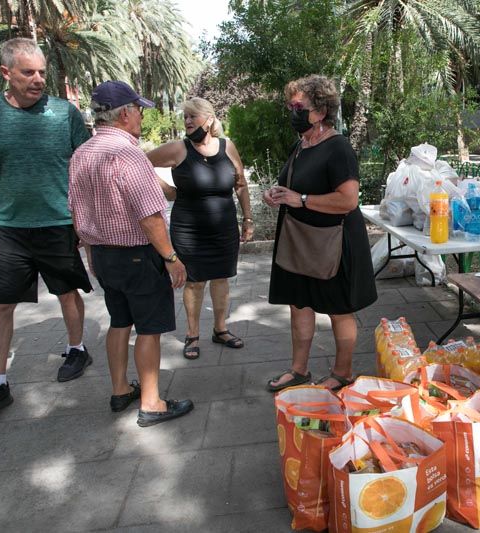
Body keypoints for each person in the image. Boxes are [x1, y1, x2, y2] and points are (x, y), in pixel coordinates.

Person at [0, 38, 94, 415]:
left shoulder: (64, 112)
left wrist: (86, 220)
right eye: (28, 72)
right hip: (8, 227)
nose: (38, 80)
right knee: (0, 305)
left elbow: (84, 168)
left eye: (41, 72)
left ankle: (77, 349)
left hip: (59, 223)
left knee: (68, 293)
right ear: (6, 73)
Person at [68, 80, 193, 427]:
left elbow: (77, 213)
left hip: (105, 257)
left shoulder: (82, 153)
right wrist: (171, 258)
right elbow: (150, 216)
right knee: (149, 329)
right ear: (124, 114)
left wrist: (93, 254)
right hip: (138, 255)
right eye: (138, 109)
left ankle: (121, 389)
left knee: (119, 321)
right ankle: (152, 403)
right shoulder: (128, 153)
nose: (140, 116)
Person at [264, 75, 377, 392]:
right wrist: (276, 193)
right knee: (299, 304)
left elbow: (348, 200)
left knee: (339, 310)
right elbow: (293, 185)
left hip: (334, 243)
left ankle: (342, 373)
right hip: (299, 241)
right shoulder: (301, 145)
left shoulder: (338, 147)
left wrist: (299, 200)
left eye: (298, 105)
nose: (292, 111)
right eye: (290, 105)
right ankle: (299, 370)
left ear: (321, 110)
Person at [146, 97, 253, 359]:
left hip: (224, 228)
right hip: (189, 230)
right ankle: (192, 335)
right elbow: (141, 163)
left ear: (210, 119)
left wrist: (247, 218)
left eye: (193, 116)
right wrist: (168, 191)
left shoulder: (228, 147)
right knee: (194, 282)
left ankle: (221, 329)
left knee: (221, 278)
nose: (188, 121)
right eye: (185, 117)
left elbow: (239, 183)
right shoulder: (178, 149)